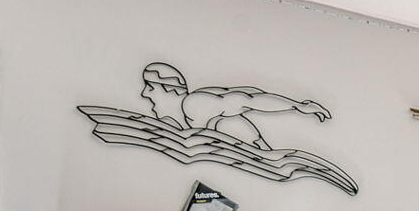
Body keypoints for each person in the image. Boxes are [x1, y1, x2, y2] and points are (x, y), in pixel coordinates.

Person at [138, 62, 331, 149]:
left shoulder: (194, 104)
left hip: (254, 148)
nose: (144, 93)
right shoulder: (181, 116)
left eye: (150, 88)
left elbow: (248, 99)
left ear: (169, 89)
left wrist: (298, 106)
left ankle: (264, 150)